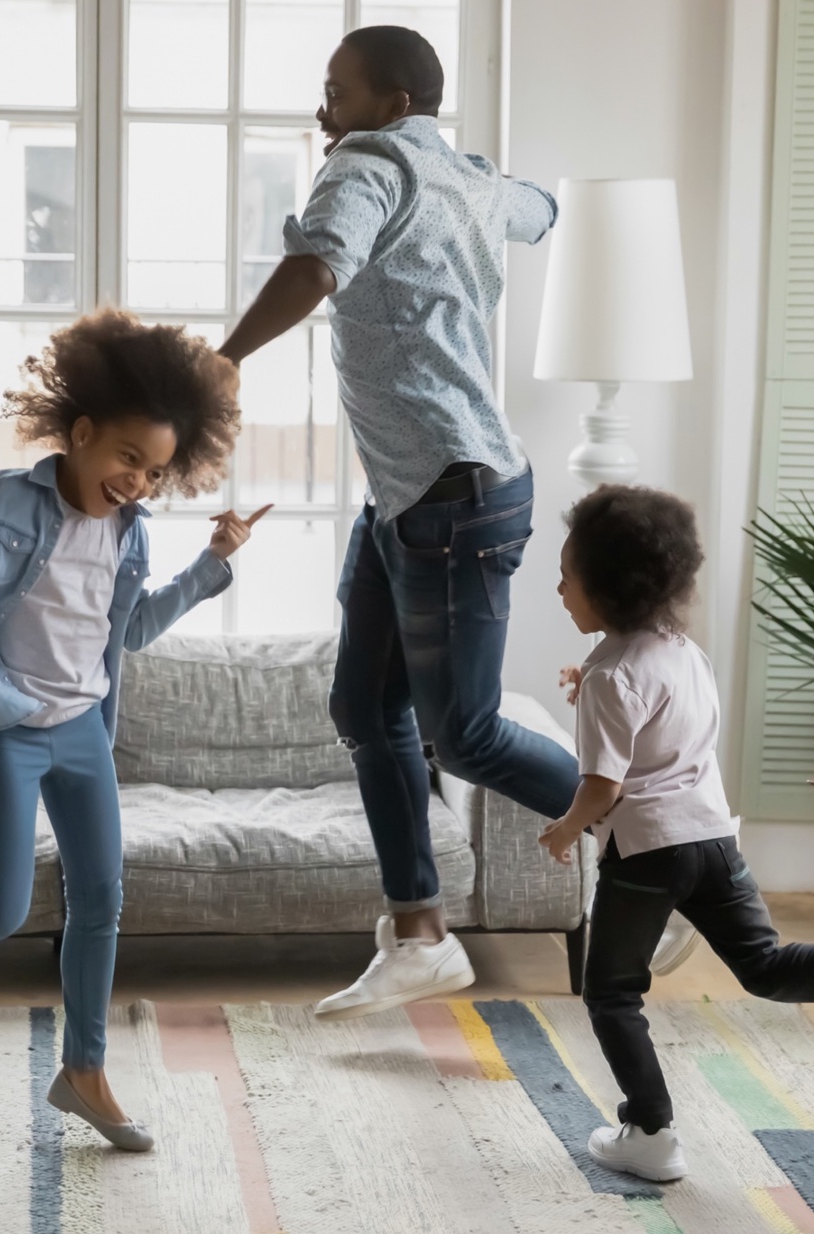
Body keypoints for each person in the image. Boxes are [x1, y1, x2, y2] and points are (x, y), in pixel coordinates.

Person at [0, 310, 267, 1152]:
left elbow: (128, 631)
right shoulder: (2, 500)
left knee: (101, 901)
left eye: (154, 471)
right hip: (7, 729)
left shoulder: (130, 535)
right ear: (83, 431)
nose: (137, 481)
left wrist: (213, 565)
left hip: (83, 731)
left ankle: (85, 1070)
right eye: (126, 458)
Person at [217, 25, 579, 1021]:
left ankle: (651, 836)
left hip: (452, 495)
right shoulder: (459, 174)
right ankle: (419, 932)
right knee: (362, 709)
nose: (321, 112)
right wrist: (502, 190)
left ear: (388, 103)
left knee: (457, 734)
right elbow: (540, 211)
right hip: (417, 494)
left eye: (335, 91)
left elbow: (317, 262)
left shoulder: (365, 165)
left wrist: (226, 356)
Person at [542, 483, 814, 1182]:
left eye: (567, 574)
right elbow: (655, 716)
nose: (557, 585)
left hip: (646, 853)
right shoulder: (678, 651)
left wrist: (567, 829)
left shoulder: (608, 678)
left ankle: (650, 1133)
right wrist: (589, 677)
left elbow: (604, 786)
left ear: (608, 588)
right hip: (713, 840)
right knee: (763, 965)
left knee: (609, 992)